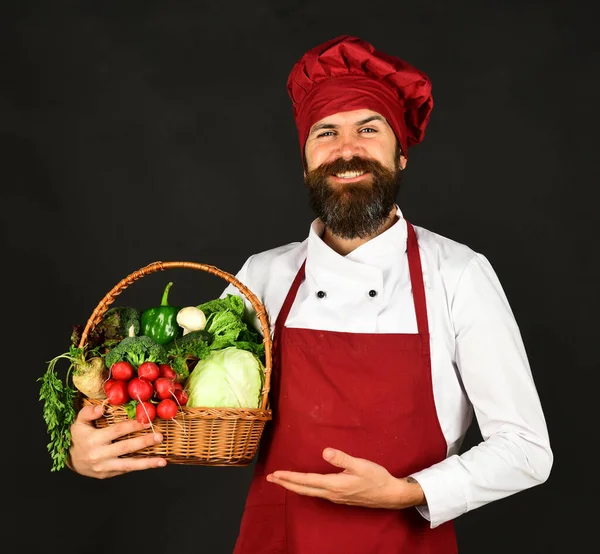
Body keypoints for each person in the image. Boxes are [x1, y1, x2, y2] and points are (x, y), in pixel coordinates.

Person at [67, 35, 553, 553]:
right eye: (327, 133)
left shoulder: (458, 273)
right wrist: (93, 447)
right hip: (277, 541)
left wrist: (406, 491)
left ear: (401, 154)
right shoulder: (263, 276)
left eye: (369, 129)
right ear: (305, 161)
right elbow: (190, 405)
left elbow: (526, 450)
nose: (347, 150)